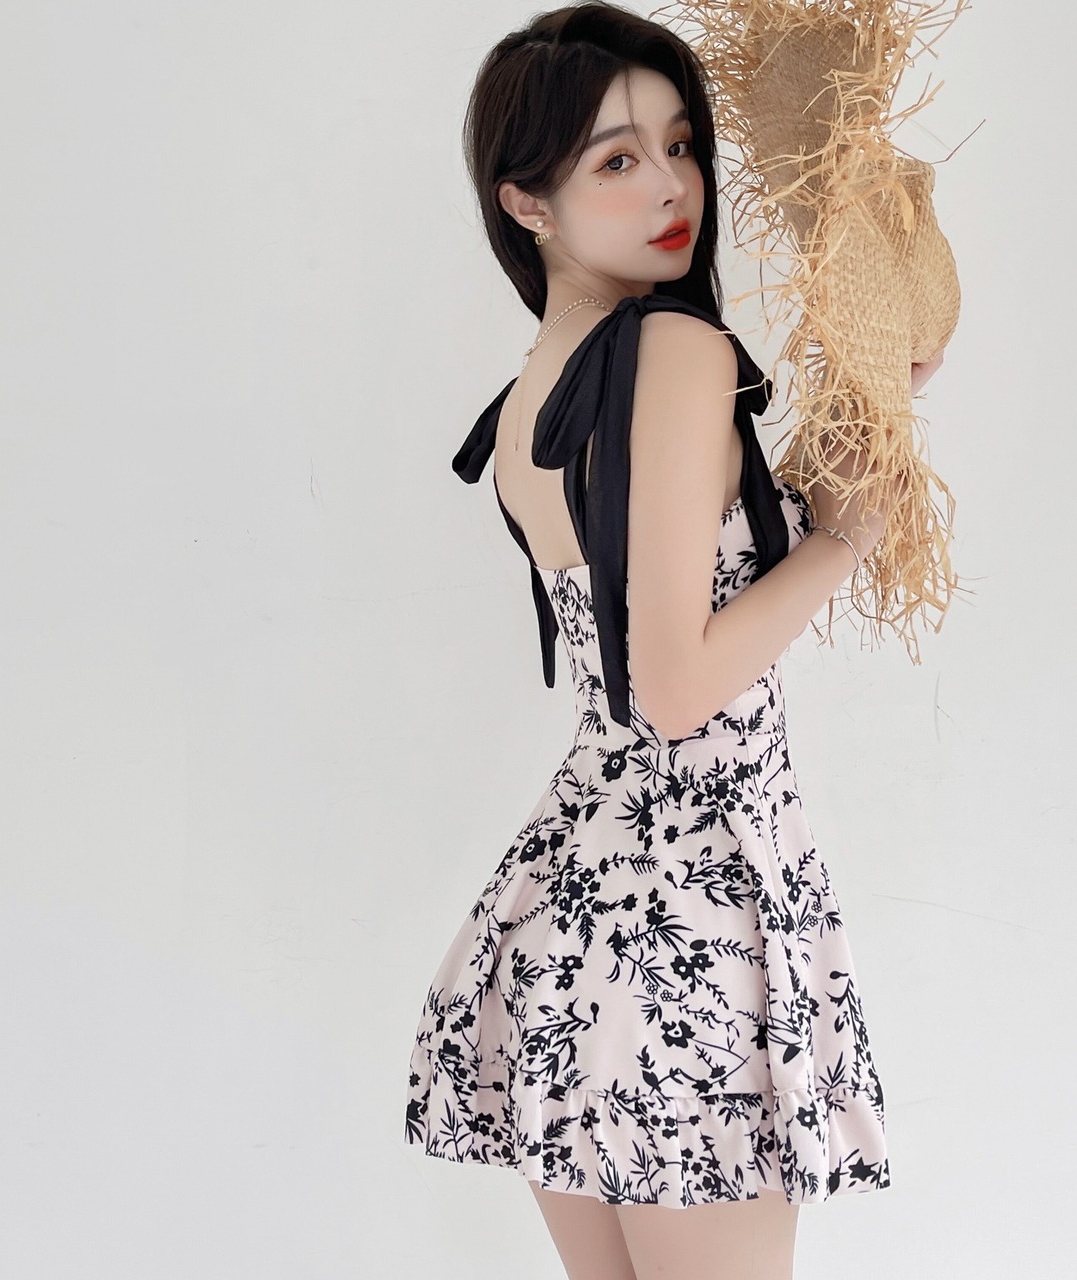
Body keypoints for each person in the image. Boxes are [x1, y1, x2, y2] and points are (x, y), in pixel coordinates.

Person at [404, 5, 944, 1277]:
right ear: (524, 203)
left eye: (681, 144)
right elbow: (679, 681)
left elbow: (666, 589)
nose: (670, 185)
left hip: (573, 912)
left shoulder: (536, 387)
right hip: (690, 924)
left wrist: (843, 439)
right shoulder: (675, 350)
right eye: (616, 158)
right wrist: (839, 543)